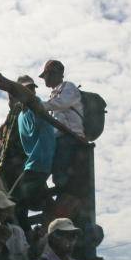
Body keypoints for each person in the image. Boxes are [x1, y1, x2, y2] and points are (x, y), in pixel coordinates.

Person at [14, 74, 56, 231]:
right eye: (26, 89)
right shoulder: (20, 116)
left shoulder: (36, 104)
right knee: (23, 200)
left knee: (15, 201)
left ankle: (29, 235)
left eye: (32, 88)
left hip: (41, 161)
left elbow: (34, 103)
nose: (31, 92)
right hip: (32, 163)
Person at [38, 59, 85, 191]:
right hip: (59, 137)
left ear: (54, 74)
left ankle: (64, 195)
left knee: (61, 172)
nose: (44, 78)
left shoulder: (68, 87)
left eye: (46, 75)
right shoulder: (55, 94)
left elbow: (62, 103)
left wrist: (39, 105)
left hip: (70, 136)